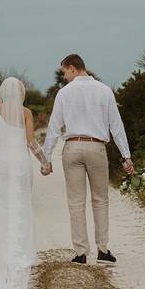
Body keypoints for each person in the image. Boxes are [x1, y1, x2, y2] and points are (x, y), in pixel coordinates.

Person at [41, 53, 133, 265]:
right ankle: (102, 251)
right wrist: (126, 156)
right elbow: (116, 126)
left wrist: (46, 159)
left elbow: (54, 128)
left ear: (73, 68)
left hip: (72, 148)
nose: (64, 77)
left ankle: (81, 253)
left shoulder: (64, 94)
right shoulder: (104, 90)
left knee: (76, 202)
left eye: (64, 71)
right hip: (96, 147)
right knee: (100, 200)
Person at [0, 77, 51, 289]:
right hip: (21, 164)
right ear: (20, 93)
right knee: (21, 205)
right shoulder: (26, 113)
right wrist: (45, 161)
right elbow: (31, 142)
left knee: (2, 206)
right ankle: (20, 253)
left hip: (3, 164)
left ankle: (0, 254)